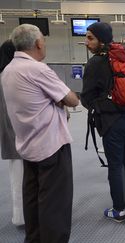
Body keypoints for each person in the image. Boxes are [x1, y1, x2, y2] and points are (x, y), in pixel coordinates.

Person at [2, 24, 79, 242]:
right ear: (37, 43)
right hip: (51, 145)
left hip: (27, 144)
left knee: (33, 198)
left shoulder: (8, 70)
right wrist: (60, 101)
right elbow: (72, 99)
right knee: (55, 202)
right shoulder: (38, 69)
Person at [81, 22, 125, 223]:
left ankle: (118, 210)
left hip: (112, 123)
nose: (86, 42)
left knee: (116, 166)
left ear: (102, 39)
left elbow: (86, 98)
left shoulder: (95, 63)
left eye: (90, 38)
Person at [0, 39, 24, 227]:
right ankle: (24, 217)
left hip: (10, 134)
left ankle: (20, 216)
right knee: (23, 179)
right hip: (20, 134)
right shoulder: (12, 76)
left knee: (17, 179)